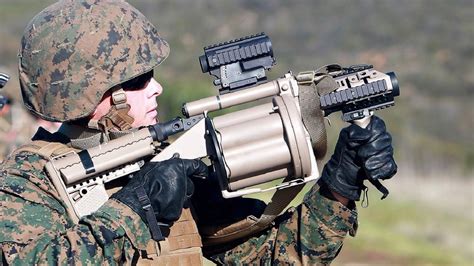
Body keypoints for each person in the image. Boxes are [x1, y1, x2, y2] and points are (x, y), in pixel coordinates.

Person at [0, 0, 397, 265]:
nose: (156, 88)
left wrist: (340, 185)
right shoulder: (26, 183)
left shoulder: (162, 166)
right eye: (139, 80)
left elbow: (276, 256)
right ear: (89, 92)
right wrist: (135, 210)